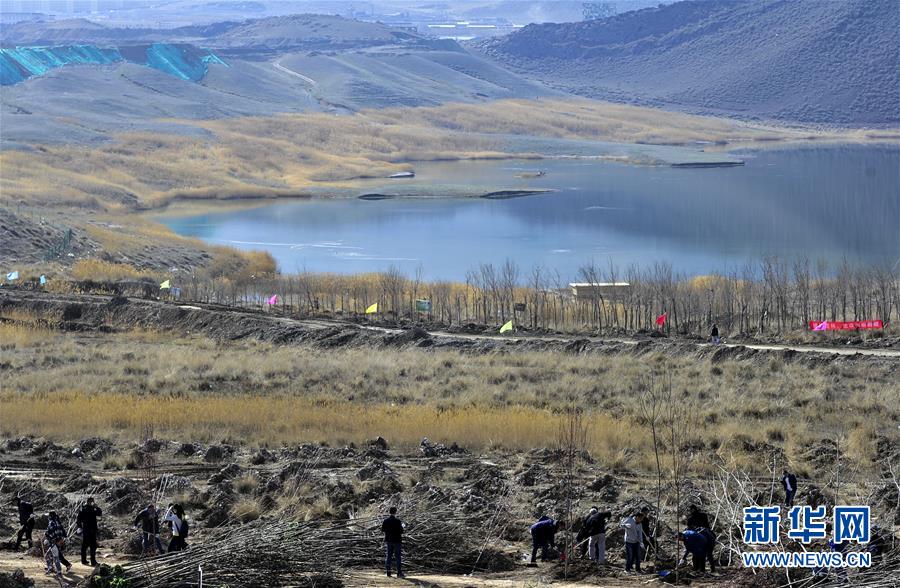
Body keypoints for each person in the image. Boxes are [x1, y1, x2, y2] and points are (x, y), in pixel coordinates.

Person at [76, 497, 102, 566]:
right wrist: (97, 507)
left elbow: (78, 519)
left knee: (84, 546)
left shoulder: (83, 509)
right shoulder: (92, 509)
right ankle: (93, 561)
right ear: (91, 502)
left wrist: (79, 527)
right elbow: (99, 513)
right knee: (92, 546)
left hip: (85, 530)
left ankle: (83, 560)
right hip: (92, 530)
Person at [381, 506, 404, 578]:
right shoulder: (398, 521)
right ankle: (399, 573)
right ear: (395, 512)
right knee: (398, 557)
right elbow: (401, 531)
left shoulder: (386, 521)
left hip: (389, 540)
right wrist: (403, 527)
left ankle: (388, 572)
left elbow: (382, 530)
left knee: (388, 556)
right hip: (397, 541)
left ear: (389, 512)